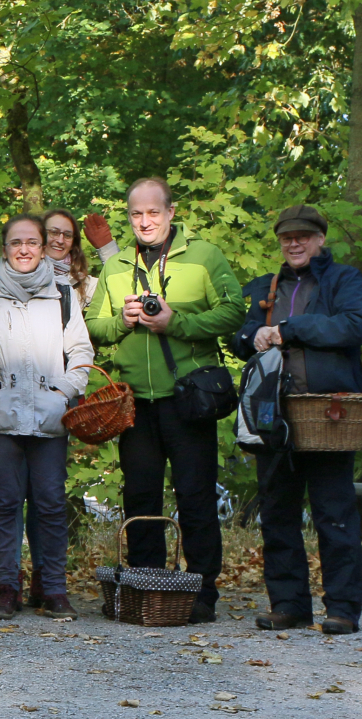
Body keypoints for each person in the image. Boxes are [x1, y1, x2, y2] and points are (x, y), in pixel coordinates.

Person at [84, 177, 246, 623]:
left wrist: (176, 322)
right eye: (136, 214)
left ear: (171, 213)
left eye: (153, 212)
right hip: (135, 402)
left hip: (188, 399)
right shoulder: (117, 265)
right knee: (140, 498)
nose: (145, 221)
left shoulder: (204, 255)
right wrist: (122, 320)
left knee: (195, 498)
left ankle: (202, 594)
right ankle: (147, 589)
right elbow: (92, 327)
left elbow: (234, 311)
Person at [229, 205, 362, 636]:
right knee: (277, 512)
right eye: (287, 237)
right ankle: (288, 605)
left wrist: (290, 329)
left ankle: (343, 609)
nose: (294, 243)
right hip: (273, 414)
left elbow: (353, 326)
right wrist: (252, 335)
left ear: (320, 239)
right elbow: (239, 337)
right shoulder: (265, 285)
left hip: (328, 414)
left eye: (303, 237)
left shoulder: (343, 280)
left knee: (335, 513)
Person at [0, 214, 92, 621]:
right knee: (4, 503)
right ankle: (7, 588)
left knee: (51, 504)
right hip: (0, 418)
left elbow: (81, 353)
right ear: (4, 248)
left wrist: (62, 394)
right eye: (15, 242)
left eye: (32, 243)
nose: (24, 249)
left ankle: (52, 588)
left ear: (43, 248)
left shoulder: (63, 294)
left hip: (49, 417)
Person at [41, 210, 96, 309]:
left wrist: (106, 248)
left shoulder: (82, 283)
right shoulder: (22, 275)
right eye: (54, 232)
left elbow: (117, 288)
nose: (60, 240)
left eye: (67, 235)